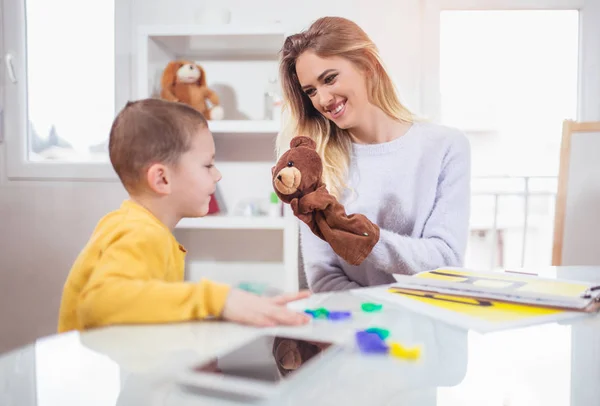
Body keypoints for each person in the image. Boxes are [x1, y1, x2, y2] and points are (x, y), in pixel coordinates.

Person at [57, 98, 310, 333]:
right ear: (162, 178)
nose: (217, 175)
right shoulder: (139, 232)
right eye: (208, 165)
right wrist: (218, 299)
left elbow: (145, 312)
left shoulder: (135, 225)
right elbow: (101, 302)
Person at [277, 16, 471, 292]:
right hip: (359, 329)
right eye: (311, 91)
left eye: (330, 78)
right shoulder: (317, 165)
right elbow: (323, 278)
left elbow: (446, 259)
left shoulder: (446, 146)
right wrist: (378, 323)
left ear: (367, 64)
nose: (322, 99)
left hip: (429, 326)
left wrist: (367, 241)